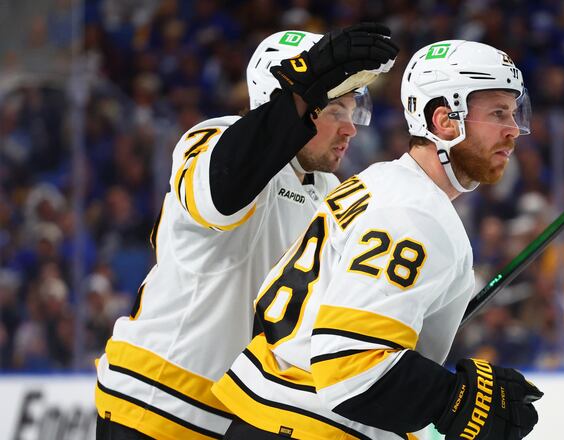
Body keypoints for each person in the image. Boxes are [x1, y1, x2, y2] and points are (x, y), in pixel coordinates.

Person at [212, 40, 542, 440]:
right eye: (498, 113)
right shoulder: (415, 213)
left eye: (514, 113)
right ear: (445, 120)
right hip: (311, 426)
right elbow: (351, 367)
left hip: (274, 416)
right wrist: (456, 400)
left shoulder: (379, 181)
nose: (513, 129)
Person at [94, 24, 398, 440]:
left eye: (352, 111)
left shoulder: (330, 189)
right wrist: (301, 90)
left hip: (242, 417)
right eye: (334, 110)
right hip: (156, 402)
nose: (350, 128)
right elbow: (222, 190)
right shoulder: (213, 137)